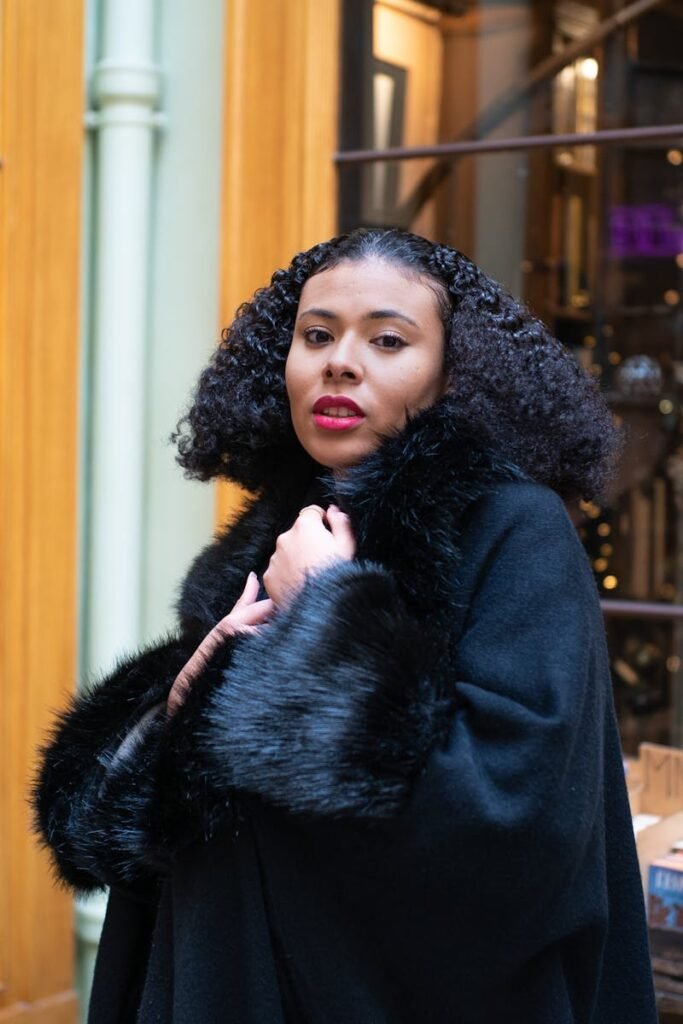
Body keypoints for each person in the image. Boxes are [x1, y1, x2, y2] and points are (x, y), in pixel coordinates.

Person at [33, 228, 657, 1023]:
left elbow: (513, 817)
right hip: (226, 968)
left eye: (388, 339)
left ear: (452, 376)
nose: (339, 360)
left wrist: (331, 606)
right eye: (316, 334)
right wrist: (177, 706)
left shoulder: (513, 529)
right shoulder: (274, 529)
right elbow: (140, 828)